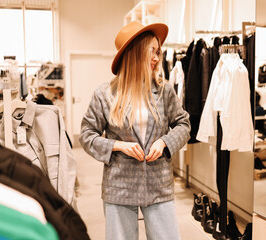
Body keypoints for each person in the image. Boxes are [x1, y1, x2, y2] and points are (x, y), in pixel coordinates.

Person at [79, 21, 191, 240]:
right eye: (153, 52)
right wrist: (117, 145)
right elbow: (87, 134)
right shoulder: (104, 95)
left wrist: (164, 142)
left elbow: (183, 124)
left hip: (159, 185)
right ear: (135, 53)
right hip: (119, 187)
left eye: (159, 52)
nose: (157, 58)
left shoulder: (165, 91)